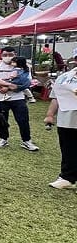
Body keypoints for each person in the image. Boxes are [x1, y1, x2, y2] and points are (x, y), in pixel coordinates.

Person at [0, 46, 39, 151]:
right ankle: (3, 138)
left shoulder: (24, 66)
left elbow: (27, 82)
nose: (8, 57)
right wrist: (3, 86)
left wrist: (10, 87)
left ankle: (26, 140)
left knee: (23, 120)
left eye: (10, 55)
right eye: (5, 55)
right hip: (1, 98)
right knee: (2, 120)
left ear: (15, 55)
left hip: (18, 98)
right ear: (1, 55)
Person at [43, 53, 77, 189]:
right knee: (68, 149)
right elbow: (56, 97)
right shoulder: (64, 78)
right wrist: (50, 114)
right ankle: (67, 177)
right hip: (66, 119)